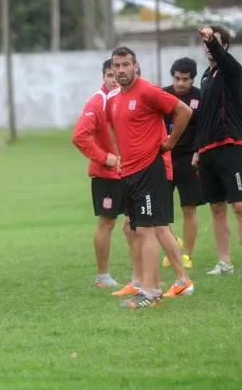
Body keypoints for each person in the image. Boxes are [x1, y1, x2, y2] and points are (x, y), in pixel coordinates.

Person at [106, 47, 194, 309]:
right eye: (116, 65)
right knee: (139, 229)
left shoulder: (146, 91)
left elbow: (184, 112)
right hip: (129, 173)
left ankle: (151, 292)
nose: (121, 70)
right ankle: (156, 285)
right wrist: (119, 155)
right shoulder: (115, 100)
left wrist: (170, 142)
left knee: (147, 230)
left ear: (136, 66)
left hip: (149, 170)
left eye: (125, 65)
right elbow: (116, 128)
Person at [194, 26, 242, 275]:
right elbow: (203, 117)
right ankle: (225, 263)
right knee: (216, 208)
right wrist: (197, 150)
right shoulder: (205, 77)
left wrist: (212, 41)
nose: (209, 48)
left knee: (240, 206)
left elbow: (220, 55)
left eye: (215, 44)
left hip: (230, 146)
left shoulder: (232, 70)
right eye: (207, 44)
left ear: (225, 48)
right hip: (208, 150)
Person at [71, 59, 132, 288]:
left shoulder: (129, 99)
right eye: (109, 75)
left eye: (117, 74)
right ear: (103, 78)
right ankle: (103, 277)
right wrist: (105, 158)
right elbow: (79, 136)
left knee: (135, 223)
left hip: (132, 172)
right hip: (107, 176)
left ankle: (139, 274)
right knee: (107, 223)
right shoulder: (98, 102)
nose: (114, 79)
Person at [163, 58, 205, 269]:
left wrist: (198, 151)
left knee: (189, 209)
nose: (180, 83)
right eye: (177, 78)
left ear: (192, 79)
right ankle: (172, 244)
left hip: (189, 159)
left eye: (185, 79)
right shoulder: (162, 95)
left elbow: (203, 129)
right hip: (164, 159)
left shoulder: (199, 97)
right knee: (159, 210)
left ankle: (186, 255)